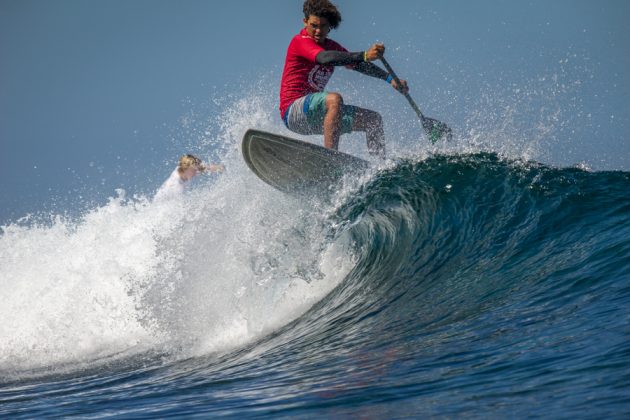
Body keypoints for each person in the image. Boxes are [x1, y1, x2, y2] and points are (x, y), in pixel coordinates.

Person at [280, 0, 408, 159]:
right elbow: (324, 58)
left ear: (330, 27)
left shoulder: (332, 45)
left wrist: (390, 79)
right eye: (314, 25)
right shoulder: (300, 41)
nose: (318, 31)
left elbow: (356, 64)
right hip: (293, 112)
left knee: (373, 120)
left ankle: (380, 167)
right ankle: (331, 158)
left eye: (323, 26)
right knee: (334, 99)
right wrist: (365, 55)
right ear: (305, 22)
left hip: (319, 116)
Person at [154, 154, 224, 201]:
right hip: (160, 207)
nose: (195, 172)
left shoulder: (184, 169)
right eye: (193, 170)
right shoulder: (176, 187)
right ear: (185, 169)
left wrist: (221, 167)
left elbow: (204, 168)